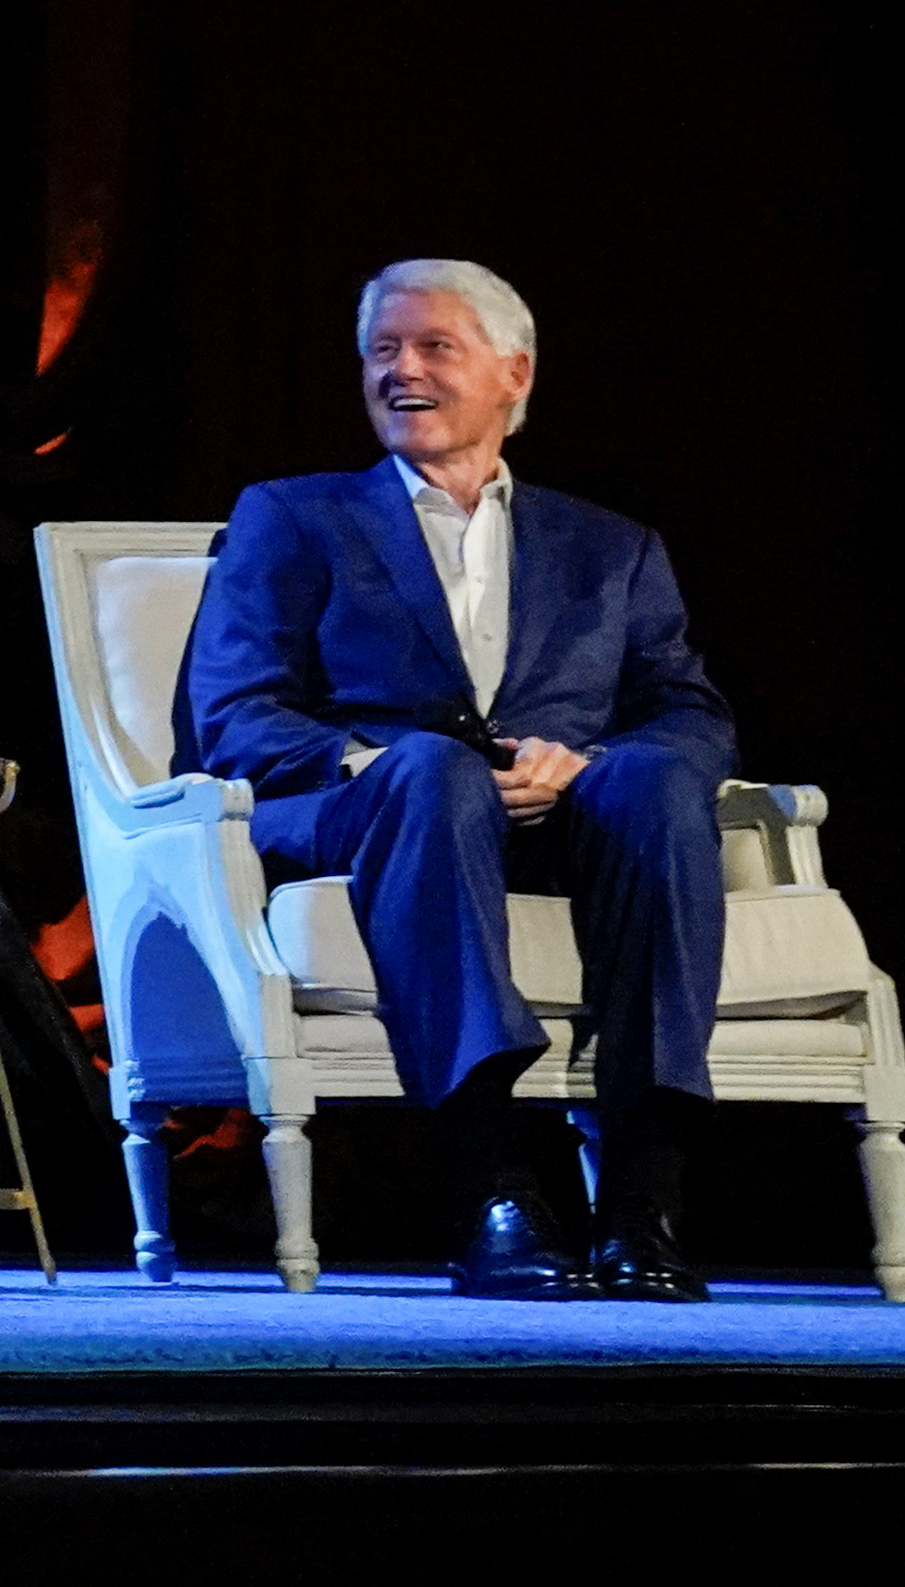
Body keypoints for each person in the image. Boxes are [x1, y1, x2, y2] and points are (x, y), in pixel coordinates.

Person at [180, 259, 735, 1298]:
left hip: (559, 817)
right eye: (381, 350)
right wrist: (372, 759)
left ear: (511, 374)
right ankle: (492, 1182)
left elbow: (690, 710)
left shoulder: (609, 545)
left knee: (655, 783)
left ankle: (641, 1199)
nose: (401, 370)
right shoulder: (293, 517)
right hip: (372, 808)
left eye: (433, 346)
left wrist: (588, 762)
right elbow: (233, 714)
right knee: (434, 772)